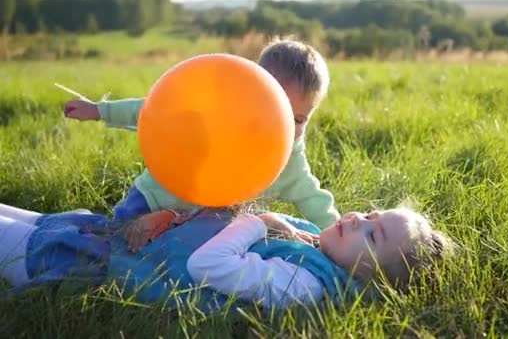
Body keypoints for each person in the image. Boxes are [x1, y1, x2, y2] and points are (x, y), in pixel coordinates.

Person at [62, 38, 340, 228]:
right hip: (155, 199)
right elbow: (153, 112)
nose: (286, 127)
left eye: (299, 119)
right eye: (275, 112)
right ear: (251, 91)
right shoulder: (216, 114)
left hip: (199, 223)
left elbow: (311, 197)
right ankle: (72, 226)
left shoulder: (289, 159)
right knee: (116, 235)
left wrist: (338, 231)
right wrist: (99, 111)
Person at [0, 203, 453, 311]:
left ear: (368, 278)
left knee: (29, 240)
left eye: (372, 236)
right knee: (39, 221)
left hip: (100, 266)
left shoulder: (304, 284)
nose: (357, 218)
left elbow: (207, 266)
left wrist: (259, 222)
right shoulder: (318, 243)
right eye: (371, 214)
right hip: (117, 240)